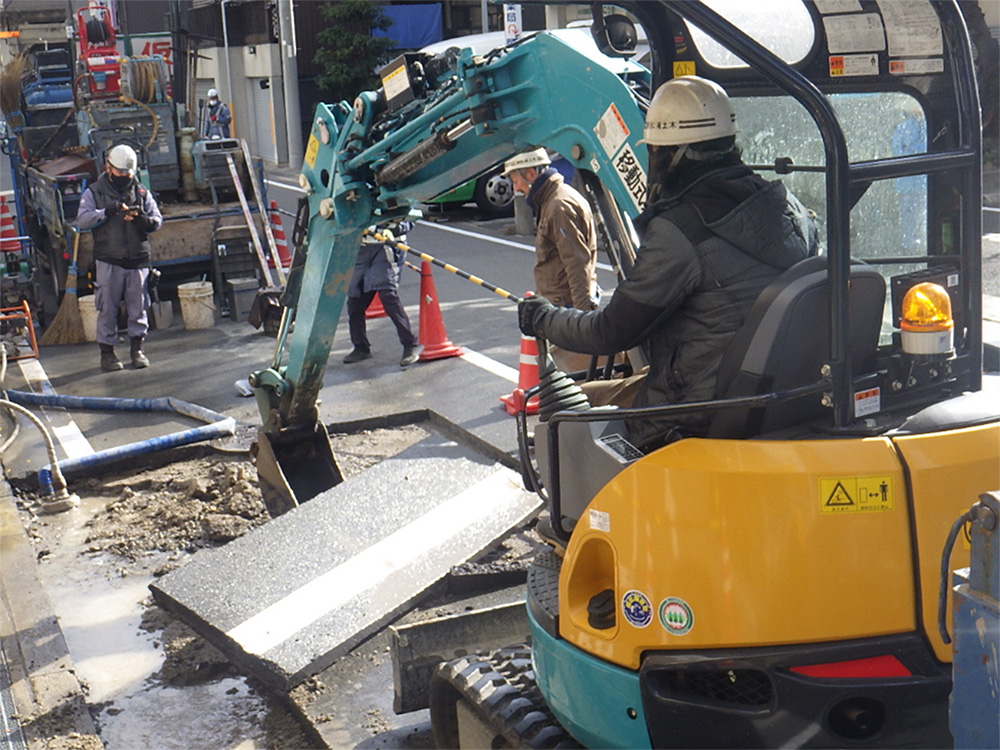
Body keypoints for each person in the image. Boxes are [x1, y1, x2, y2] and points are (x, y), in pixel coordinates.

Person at [517, 76, 819, 451]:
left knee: (564, 421)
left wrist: (543, 317)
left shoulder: (680, 231)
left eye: (656, 152)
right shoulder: (785, 207)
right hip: (769, 391)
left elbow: (612, 332)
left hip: (699, 409)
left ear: (675, 155)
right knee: (600, 391)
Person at [503, 147, 600, 373]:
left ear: (530, 174)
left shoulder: (558, 206)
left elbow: (577, 266)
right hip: (563, 307)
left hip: (566, 309)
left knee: (573, 381)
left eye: (516, 180)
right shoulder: (553, 199)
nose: (516, 188)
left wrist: (581, 321)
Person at [77, 143, 163, 372]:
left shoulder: (141, 191)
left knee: (139, 308)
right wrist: (106, 211)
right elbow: (83, 220)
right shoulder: (94, 192)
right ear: (108, 167)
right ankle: (107, 354)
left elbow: (157, 220)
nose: (125, 176)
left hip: (138, 260)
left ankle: (137, 350)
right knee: (107, 308)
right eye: (121, 172)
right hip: (109, 259)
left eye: (128, 172)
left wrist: (142, 219)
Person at [342, 221, 421, 367]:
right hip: (362, 247)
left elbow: (410, 216)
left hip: (387, 247)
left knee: (387, 295)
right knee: (355, 300)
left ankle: (410, 344)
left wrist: (394, 229)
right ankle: (360, 347)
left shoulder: (393, 197)